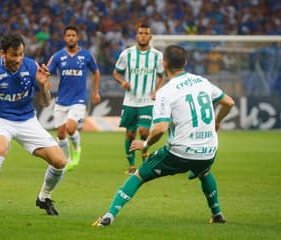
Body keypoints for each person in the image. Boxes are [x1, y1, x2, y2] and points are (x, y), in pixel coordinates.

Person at [92, 45, 235, 227]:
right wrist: (217, 121)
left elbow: (160, 128)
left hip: (180, 153)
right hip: (208, 151)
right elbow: (229, 102)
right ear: (185, 62)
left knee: (138, 175)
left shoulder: (166, 92)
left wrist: (145, 144)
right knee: (204, 172)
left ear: (164, 64)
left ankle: (108, 216)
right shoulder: (202, 81)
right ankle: (217, 214)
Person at [0, 33, 67, 218]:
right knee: (0, 149)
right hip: (1, 119)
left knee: (60, 162)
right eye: (13, 55)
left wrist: (42, 86)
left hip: (27, 120)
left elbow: (46, 103)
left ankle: (43, 198)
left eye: (21, 54)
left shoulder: (32, 66)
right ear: (3, 53)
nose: (18, 59)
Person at [112, 23, 165, 174]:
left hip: (147, 101)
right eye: (140, 33)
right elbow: (116, 72)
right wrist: (123, 82)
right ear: (136, 36)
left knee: (143, 130)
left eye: (145, 33)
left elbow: (161, 76)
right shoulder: (127, 54)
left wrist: (156, 90)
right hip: (130, 101)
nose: (142, 36)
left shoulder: (157, 56)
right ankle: (131, 165)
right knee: (130, 133)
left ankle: (144, 153)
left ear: (150, 37)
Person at [47, 25, 100, 171]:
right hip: (62, 99)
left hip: (79, 99)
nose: (71, 38)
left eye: (73, 35)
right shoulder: (58, 56)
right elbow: (47, 72)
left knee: (71, 128)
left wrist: (95, 92)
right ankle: (67, 159)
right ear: (65, 38)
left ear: (77, 37)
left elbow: (96, 73)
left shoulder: (87, 55)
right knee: (60, 133)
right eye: (68, 35)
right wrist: (45, 82)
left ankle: (77, 150)